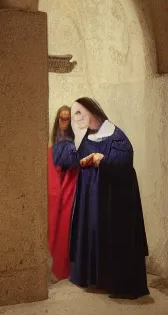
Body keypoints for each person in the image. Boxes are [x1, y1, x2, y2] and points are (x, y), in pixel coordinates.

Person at [52, 97, 149, 299]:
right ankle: (93, 277)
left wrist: (101, 160)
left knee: (110, 235)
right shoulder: (82, 136)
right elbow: (60, 157)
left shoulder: (115, 135)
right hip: (89, 198)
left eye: (80, 114)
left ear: (92, 112)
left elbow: (124, 163)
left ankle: (113, 280)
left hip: (113, 197)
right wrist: (80, 150)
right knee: (91, 233)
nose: (76, 119)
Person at [48, 105, 77, 280]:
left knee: (66, 223)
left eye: (68, 119)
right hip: (56, 182)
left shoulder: (75, 140)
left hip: (70, 182)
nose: (64, 122)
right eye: (62, 118)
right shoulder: (53, 140)